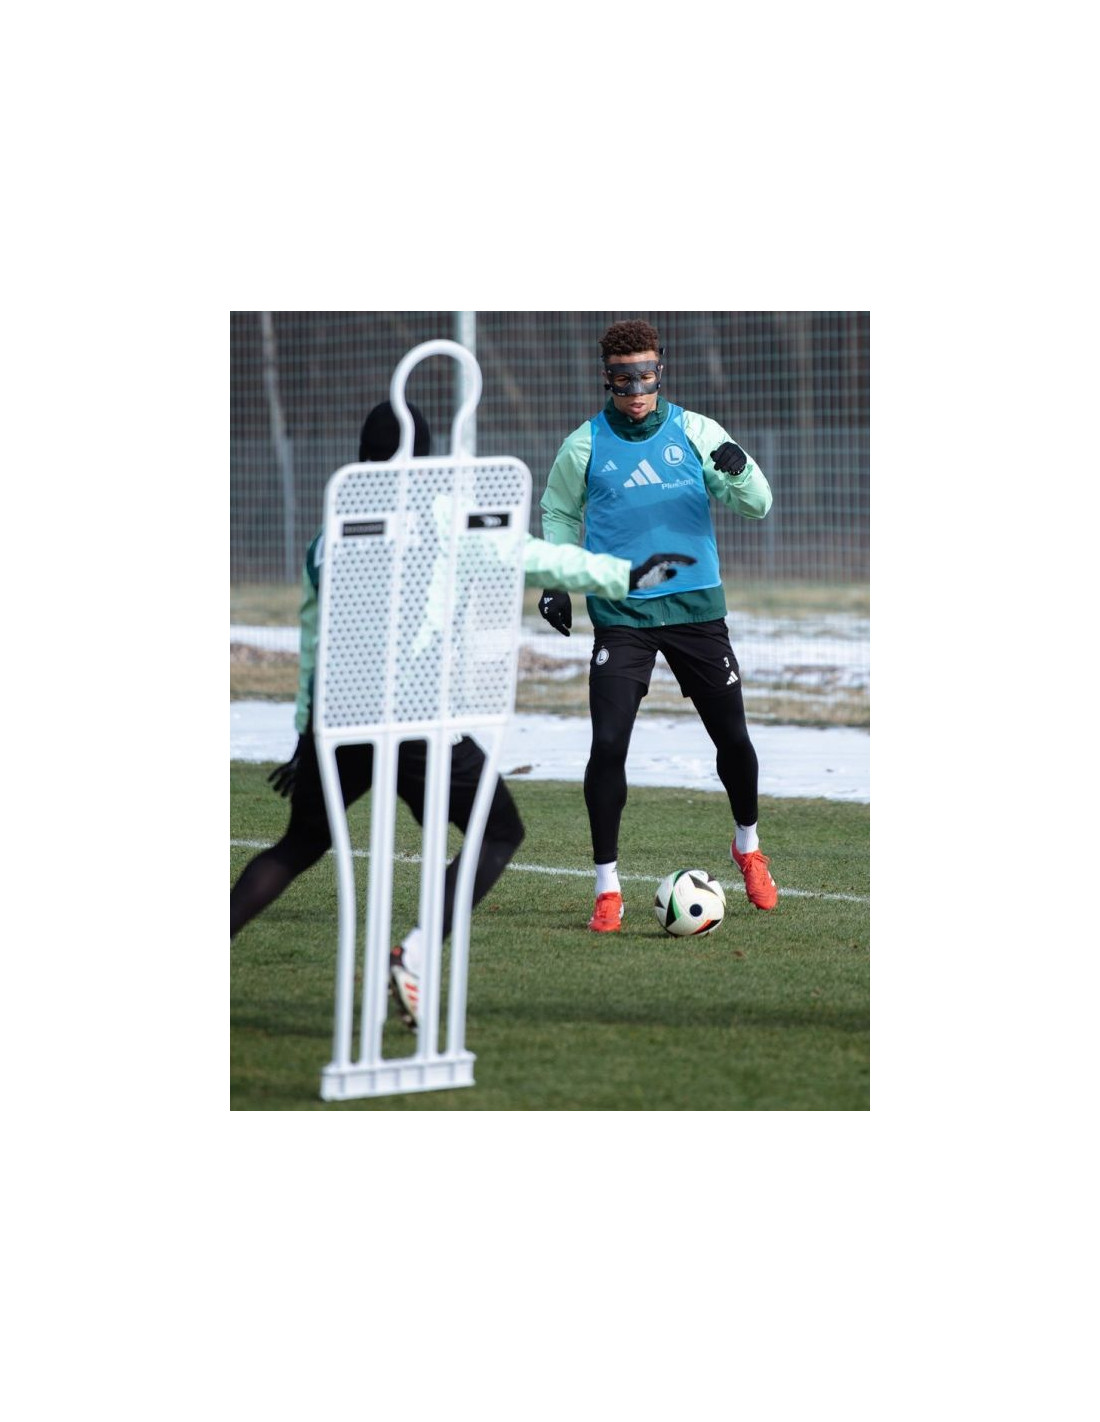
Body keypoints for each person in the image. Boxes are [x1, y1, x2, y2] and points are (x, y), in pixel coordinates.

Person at [231, 398, 696, 1025]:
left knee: (297, 844)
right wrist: (628, 577)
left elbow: (316, 642)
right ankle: (417, 953)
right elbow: (534, 557)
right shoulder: (444, 519)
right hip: (417, 716)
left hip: (338, 722)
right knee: (499, 832)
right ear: (424, 457)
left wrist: (304, 734)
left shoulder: (329, 533)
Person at [538, 318, 779, 931]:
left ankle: (748, 847)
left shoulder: (698, 433)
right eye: (624, 379)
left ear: (660, 372)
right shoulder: (584, 446)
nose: (636, 389)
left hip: (697, 611)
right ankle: (607, 887)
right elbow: (559, 512)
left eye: (645, 375)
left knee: (734, 740)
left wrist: (740, 469)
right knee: (608, 746)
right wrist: (557, 579)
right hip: (622, 616)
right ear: (608, 379)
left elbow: (758, 505)